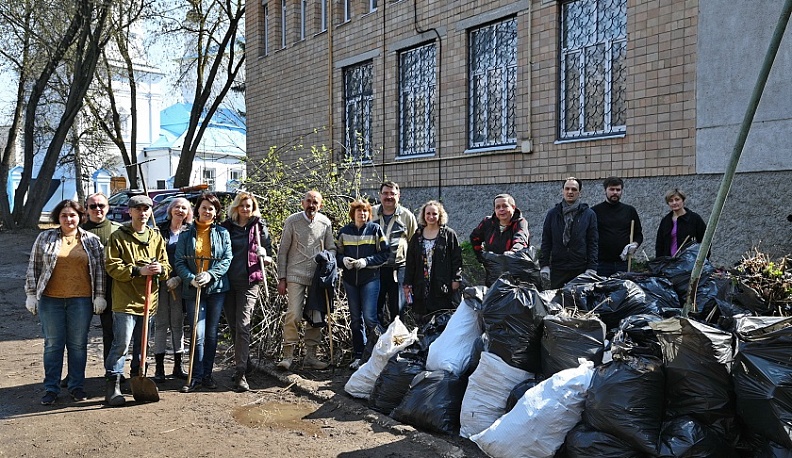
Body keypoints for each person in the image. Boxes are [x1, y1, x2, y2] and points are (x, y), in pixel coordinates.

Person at [25, 200, 106, 405]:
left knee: (77, 345)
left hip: (81, 300)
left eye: (72, 215)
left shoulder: (92, 240)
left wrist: (99, 295)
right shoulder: (45, 237)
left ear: (80, 217)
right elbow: (33, 267)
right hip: (51, 300)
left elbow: (99, 272)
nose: (68, 219)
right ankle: (51, 388)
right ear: (57, 218)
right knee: (53, 344)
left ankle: (76, 386)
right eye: (64, 216)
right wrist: (31, 294)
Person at [104, 195, 170, 406]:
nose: (143, 213)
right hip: (125, 301)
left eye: (146, 209)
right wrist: (138, 270)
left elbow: (167, 267)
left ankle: (137, 378)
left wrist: (161, 270)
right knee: (122, 343)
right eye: (138, 209)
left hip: (148, 301)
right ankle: (113, 385)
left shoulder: (156, 237)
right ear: (130, 212)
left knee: (142, 346)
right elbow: (112, 266)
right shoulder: (119, 237)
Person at [174, 193, 233, 393]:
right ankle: (195, 376)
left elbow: (226, 259)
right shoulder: (185, 235)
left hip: (216, 289)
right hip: (193, 290)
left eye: (211, 209)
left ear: (216, 213)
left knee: (211, 334)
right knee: (197, 334)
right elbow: (179, 261)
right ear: (197, 209)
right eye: (204, 207)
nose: (207, 211)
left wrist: (211, 275)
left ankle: (208, 375)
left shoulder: (223, 233)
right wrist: (190, 278)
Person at [276, 190, 336, 371]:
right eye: (308, 201)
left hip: (317, 278)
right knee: (294, 313)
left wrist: (327, 256)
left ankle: (311, 355)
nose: (311, 205)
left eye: (315, 202)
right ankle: (288, 355)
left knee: (316, 315)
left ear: (321, 204)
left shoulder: (325, 223)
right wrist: (282, 278)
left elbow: (332, 248)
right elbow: (283, 251)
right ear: (302, 203)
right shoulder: (292, 221)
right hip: (295, 275)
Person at [220, 192, 274, 392]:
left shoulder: (259, 227)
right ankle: (247, 362)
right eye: (242, 206)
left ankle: (241, 372)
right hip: (227, 282)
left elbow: (268, 251)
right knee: (234, 326)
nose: (245, 209)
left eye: (249, 206)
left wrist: (265, 256)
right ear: (236, 207)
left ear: (253, 208)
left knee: (243, 324)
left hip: (250, 281)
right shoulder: (225, 228)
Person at [336, 199, 388, 370]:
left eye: (365, 211)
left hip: (370, 279)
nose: (362, 214)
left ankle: (380, 352)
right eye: (359, 211)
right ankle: (360, 356)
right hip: (350, 280)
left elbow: (385, 254)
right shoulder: (344, 232)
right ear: (353, 214)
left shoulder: (375, 230)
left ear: (369, 214)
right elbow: (335, 254)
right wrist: (343, 260)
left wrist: (367, 261)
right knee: (356, 320)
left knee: (370, 318)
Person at [153, 197, 193, 382]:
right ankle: (159, 368)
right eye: (177, 207)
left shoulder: (190, 231)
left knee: (177, 323)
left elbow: (192, 259)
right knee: (161, 323)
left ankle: (178, 365)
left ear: (188, 212)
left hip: (180, 282)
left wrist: (179, 278)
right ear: (170, 210)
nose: (180, 210)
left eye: (184, 208)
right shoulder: (158, 229)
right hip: (160, 282)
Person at [403, 200, 463, 323]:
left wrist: (456, 279)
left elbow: (456, 258)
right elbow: (410, 261)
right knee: (422, 318)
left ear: (440, 215)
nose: (431, 217)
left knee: (442, 318)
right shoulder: (417, 235)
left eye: (434, 214)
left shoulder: (448, 234)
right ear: (423, 215)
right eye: (428, 213)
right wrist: (407, 283)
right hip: (421, 283)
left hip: (442, 283)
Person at [539, 177, 599, 289]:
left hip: (580, 268)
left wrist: (592, 268)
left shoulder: (589, 214)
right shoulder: (553, 214)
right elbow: (546, 240)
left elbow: (593, 242)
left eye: (574, 189)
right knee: (556, 303)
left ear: (579, 193)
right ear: (562, 191)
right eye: (567, 189)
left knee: (579, 304)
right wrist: (544, 265)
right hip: (558, 268)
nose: (570, 192)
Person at [372, 181, 417, 326]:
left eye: (392, 193)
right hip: (375, 269)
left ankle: (398, 344)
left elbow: (414, 243)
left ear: (399, 196)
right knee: (374, 308)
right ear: (380, 195)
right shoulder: (370, 213)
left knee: (397, 308)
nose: (389, 196)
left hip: (399, 269)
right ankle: (377, 343)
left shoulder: (407, 216)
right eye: (385, 193)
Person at [469, 193, 531, 286]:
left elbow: (520, 239)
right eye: (498, 207)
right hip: (493, 273)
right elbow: (474, 237)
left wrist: (513, 252)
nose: (501, 209)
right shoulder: (487, 222)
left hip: (516, 273)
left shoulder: (520, 222)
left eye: (505, 206)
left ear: (513, 207)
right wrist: (481, 256)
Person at [592, 177, 644, 277]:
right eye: (612, 189)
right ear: (605, 190)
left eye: (618, 189)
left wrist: (635, 244)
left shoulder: (629, 211)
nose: (615, 192)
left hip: (623, 263)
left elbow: (638, 234)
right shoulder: (595, 211)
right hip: (601, 264)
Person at [655, 188, 707, 258]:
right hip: (669, 264)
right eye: (671, 201)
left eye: (677, 199)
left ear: (683, 200)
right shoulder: (665, 221)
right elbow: (659, 245)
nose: (674, 203)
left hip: (689, 263)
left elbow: (705, 241)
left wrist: (702, 259)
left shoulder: (694, 218)